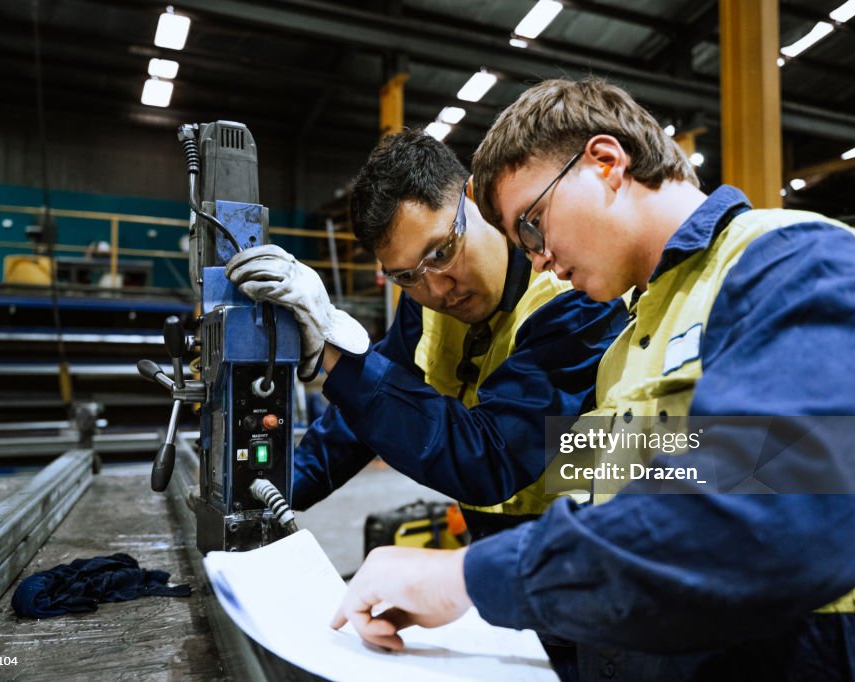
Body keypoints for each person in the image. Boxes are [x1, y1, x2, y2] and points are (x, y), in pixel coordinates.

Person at [331, 78, 855, 680]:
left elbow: (777, 513)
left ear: (605, 162)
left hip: (827, 654)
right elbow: (603, 480)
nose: (539, 257)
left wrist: (467, 577)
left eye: (532, 223)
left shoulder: (798, 264)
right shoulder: (629, 345)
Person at [225, 129, 626, 542]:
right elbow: (363, 418)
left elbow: (490, 458)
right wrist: (271, 492)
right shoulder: (425, 303)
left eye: (441, 251)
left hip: (588, 537)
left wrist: (332, 348)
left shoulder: (572, 299)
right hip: (495, 539)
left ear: (474, 199)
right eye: (406, 275)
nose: (436, 289)